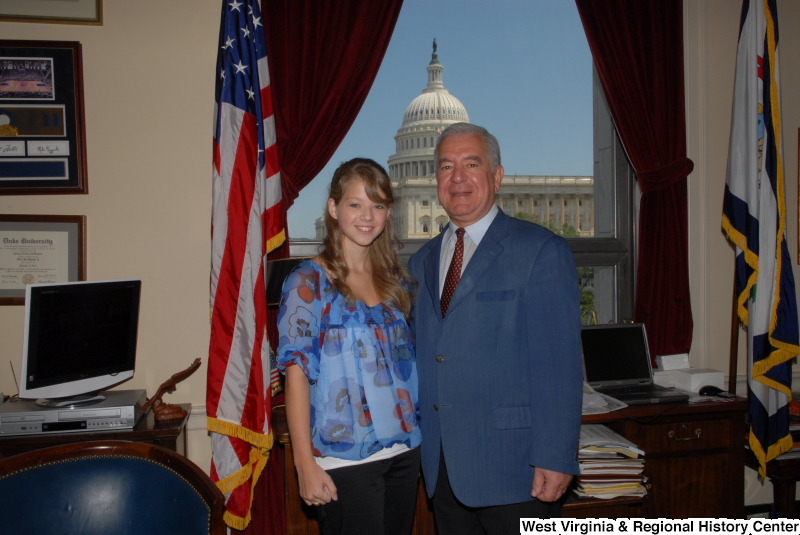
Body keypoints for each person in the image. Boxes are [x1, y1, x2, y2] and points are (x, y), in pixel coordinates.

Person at [408, 123, 583, 534]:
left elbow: (558, 366)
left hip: (517, 469)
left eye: (472, 163)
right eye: (446, 166)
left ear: (497, 176)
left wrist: (556, 456)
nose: (458, 177)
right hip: (443, 470)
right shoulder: (421, 262)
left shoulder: (541, 250)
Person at [277, 158, 422, 535]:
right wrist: (303, 464)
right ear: (333, 207)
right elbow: (295, 377)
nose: (367, 216)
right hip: (343, 460)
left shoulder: (395, 282)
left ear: (388, 212)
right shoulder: (308, 282)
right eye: (355, 204)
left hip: (405, 451)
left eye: (377, 205)